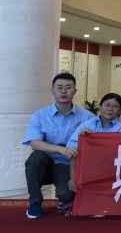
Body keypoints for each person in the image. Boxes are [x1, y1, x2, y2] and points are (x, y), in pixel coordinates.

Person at [22, 73, 94, 219]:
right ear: (52, 91)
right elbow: (35, 143)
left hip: (68, 166)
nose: (64, 91)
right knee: (35, 158)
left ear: (75, 91)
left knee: (66, 194)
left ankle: (68, 198)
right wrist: (61, 149)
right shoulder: (40, 115)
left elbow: (96, 144)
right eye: (59, 87)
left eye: (68, 87)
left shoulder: (87, 117)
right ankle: (35, 203)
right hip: (46, 163)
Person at [66, 92, 121, 214]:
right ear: (100, 106)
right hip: (89, 168)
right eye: (107, 105)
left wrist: (93, 139)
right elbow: (72, 150)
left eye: (115, 106)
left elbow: (115, 150)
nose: (110, 109)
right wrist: (72, 178)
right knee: (66, 195)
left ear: (120, 110)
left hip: (111, 168)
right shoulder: (87, 124)